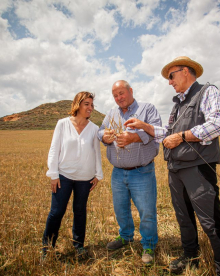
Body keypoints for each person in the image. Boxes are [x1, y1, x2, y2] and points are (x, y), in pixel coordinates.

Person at [124, 56, 220, 275]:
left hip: (198, 169)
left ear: (186, 71)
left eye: (171, 76)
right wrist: (145, 126)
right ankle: (190, 255)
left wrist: (182, 137)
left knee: (210, 220)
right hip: (175, 169)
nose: (169, 82)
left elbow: (216, 124)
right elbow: (168, 133)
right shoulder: (177, 104)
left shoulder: (207, 91)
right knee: (183, 216)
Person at [97, 80, 162, 265]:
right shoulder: (111, 113)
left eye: (121, 93)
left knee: (146, 211)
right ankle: (125, 236)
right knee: (120, 209)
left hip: (142, 171)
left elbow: (157, 132)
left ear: (130, 91)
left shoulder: (147, 109)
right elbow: (100, 132)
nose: (119, 98)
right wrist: (105, 137)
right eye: (115, 95)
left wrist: (133, 137)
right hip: (118, 172)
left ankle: (149, 244)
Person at [42, 91, 103, 260]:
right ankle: (47, 248)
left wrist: (98, 174)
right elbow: (54, 149)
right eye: (87, 104)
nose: (90, 108)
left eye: (92, 105)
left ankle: (79, 246)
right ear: (77, 105)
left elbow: (97, 152)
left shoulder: (94, 129)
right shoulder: (62, 124)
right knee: (56, 212)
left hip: (85, 178)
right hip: (64, 176)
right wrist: (53, 174)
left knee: (80, 212)